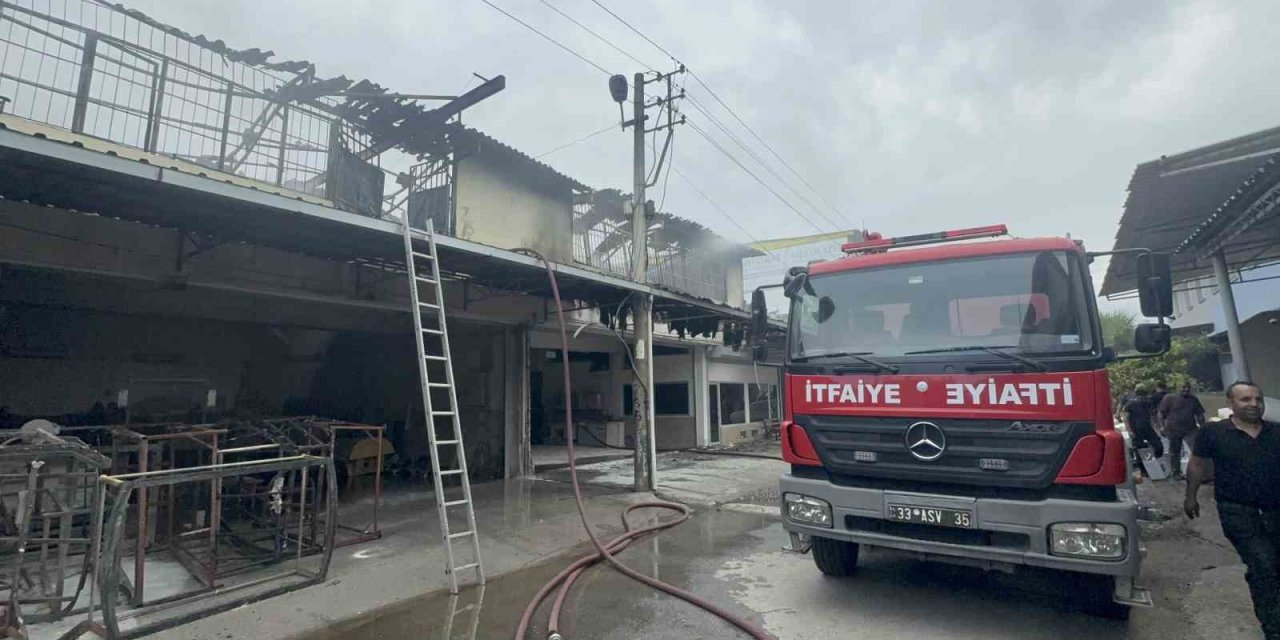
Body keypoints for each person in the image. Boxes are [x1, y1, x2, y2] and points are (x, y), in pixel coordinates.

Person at [1184, 381, 1279, 640]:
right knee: (1264, 565)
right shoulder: (1213, 433)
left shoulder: (1275, 432)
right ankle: (1273, 628)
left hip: (1275, 511)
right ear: (1231, 403)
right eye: (1245, 399)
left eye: (1258, 399)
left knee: (1274, 567)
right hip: (1238, 511)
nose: (1254, 404)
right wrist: (1190, 497)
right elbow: (1197, 464)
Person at [1159, 382, 1206, 480]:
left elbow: (1200, 414)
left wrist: (1203, 427)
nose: (1186, 389)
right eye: (1183, 387)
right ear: (1177, 388)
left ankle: (1201, 473)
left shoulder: (1193, 399)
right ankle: (1176, 473)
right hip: (1173, 429)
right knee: (1175, 452)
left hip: (1190, 429)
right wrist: (1161, 427)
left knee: (1197, 450)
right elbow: (1160, 413)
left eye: (1188, 387)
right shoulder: (1169, 398)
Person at [1124, 385, 1164, 461]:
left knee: (1157, 446)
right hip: (1136, 429)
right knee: (1140, 449)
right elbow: (1125, 417)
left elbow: (1152, 416)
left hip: (1146, 428)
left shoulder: (1147, 402)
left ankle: (1154, 461)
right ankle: (1143, 467)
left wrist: (1156, 427)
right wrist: (1129, 430)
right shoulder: (1131, 403)